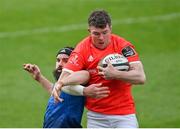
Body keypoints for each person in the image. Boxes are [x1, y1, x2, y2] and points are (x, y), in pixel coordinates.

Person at [52, 10, 146, 128]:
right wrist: (84, 91)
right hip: (96, 118)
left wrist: (116, 74)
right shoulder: (82, 49)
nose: (101, 38)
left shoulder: (123, 47)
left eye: (105, 32)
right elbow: (63, 81)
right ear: (89, 31)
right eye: (96, 33)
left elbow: (141, 77)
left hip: (125, 116)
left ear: (110, 28)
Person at [23, 47, 110, 128]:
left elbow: (85, 74)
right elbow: (54, 90)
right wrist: (39, 77)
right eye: (58, 60)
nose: (60, 64)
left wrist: (85, 90)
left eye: (66, 61)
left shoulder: (77, 79)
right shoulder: (62, 84)